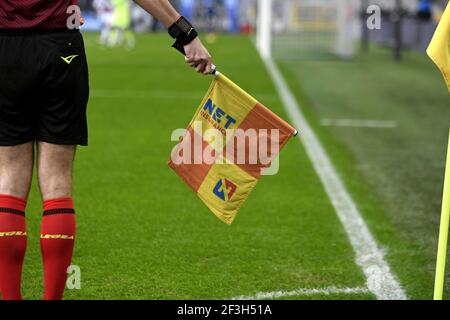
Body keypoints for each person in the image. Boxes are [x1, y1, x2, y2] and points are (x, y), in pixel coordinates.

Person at [0, 0, 212, 300]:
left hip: (6, 49)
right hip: (62, 47)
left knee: (8, 180)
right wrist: (185, 34)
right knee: (57, 182)